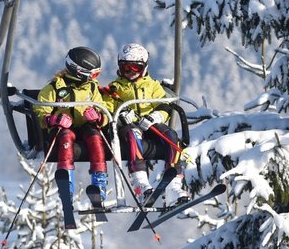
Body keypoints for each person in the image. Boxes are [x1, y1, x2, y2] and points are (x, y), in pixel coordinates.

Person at [33, 46, 109, 229]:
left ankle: (99, 187)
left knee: (95, 137)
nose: (94, 78)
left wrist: (99, 116)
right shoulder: (54, 88)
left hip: (85, 128)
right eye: (93, 74)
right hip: (62, 131)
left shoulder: (91, 88)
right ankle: (67, 187)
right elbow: (40, 109)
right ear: (80, 71)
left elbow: (104, 108)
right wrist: (54, 119)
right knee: (66, 137)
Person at [103, 43, 184, 205]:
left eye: (135, 68)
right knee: (134, 135)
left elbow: (164, 105)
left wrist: (156, 116)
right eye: (126, 68)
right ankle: (140, 184)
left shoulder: (152, 86)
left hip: (150, 125)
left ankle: (174, 183)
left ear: (144, 67)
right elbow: (107, 108)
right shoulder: (116, 87)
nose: (130, 72)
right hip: (129, 128)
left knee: (171, 135)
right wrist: (123, 115)